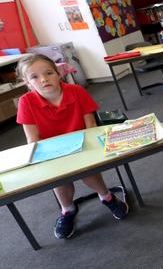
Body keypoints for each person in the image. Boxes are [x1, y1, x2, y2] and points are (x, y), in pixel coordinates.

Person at [15, 54, 128, 240]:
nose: (43, 79)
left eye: (48, 73)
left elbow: (91, 127)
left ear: (58, 73)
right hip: (51, 153)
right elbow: (32, 140)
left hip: (83, 144)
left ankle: (106, 196)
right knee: (59, 179)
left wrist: (87, 153)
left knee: (89, 172)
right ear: (27, 82)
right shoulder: (26, 102)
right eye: (34, 77)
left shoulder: (76, 91)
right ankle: (67, 209)